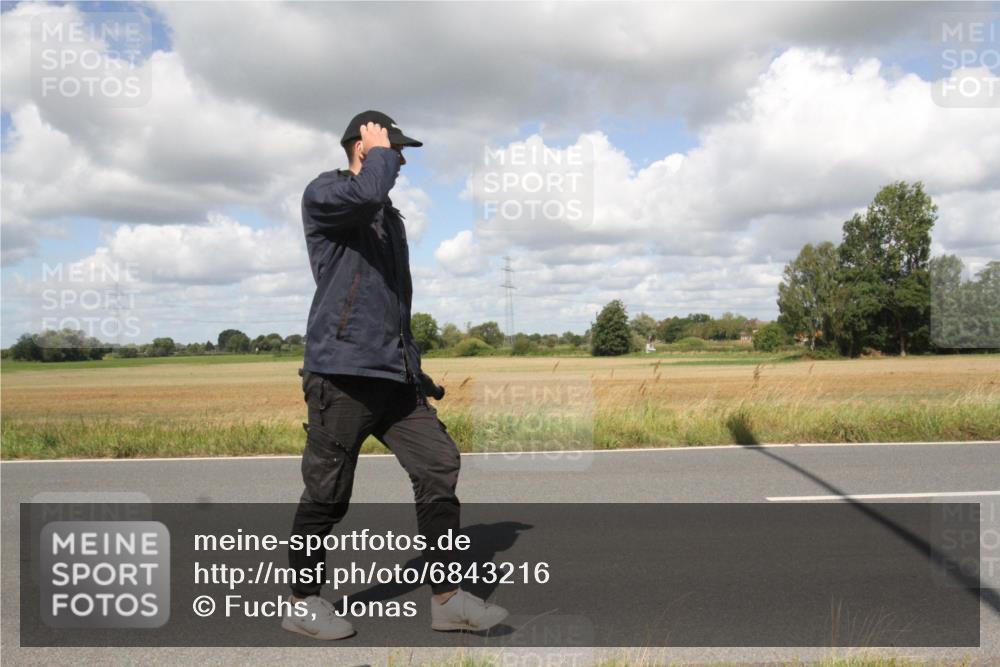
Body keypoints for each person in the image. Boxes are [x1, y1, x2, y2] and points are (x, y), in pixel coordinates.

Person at [282, 110, 507, 640]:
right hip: (341, 375)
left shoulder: (389, 216)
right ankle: (302, 601)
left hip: (393, 380)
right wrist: (377, 155)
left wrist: (415, 370)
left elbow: (390, 304)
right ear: (364, 145)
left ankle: (448, 600)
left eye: (401, 152)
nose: (402, 159)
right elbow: (363, 195)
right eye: (394, 148)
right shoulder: (327, 195)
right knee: (328, 493)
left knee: (438, 464)